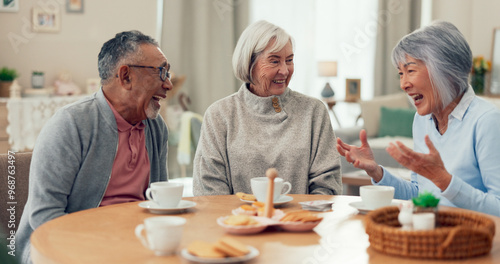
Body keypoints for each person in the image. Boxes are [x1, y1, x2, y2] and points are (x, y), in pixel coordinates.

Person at [16, 30, 172, 263]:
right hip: (64, 246)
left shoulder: (155, 127)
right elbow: (45, 216)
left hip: (134, 243)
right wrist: (100, 248)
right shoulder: (70, 124)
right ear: (126, 76)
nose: (168, 84)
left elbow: (160, 200)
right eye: (161, 72)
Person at [336, 21, 500, 216]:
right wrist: (376, 171)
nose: (403, 84)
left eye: (410, 70)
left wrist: (444, 180)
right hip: (430, 237)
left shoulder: (487, 121)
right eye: (400, 73)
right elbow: (418, 194)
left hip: (472, 241)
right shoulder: (422, 121)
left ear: (445, 69)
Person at [193, 20, 342, 196]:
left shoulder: (314, 111)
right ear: (249, 63)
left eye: (289, 60)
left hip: (300, 221)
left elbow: (328, 186)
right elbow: (210, 190)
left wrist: (299, 219)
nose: (285, 71)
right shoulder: (219, 115)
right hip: (236, 221)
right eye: (274, 61)